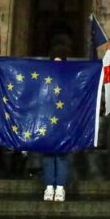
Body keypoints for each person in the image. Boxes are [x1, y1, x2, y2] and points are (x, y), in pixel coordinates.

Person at [42, 56, 70, 202]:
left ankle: (60, 187)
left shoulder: (68, 82)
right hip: (47, 123)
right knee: (48, 156)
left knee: (61, 156)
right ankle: (49, 186)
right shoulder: (45, 83)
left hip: (63, 123)